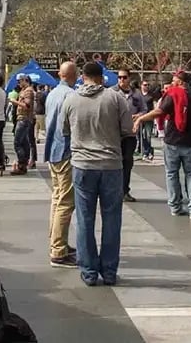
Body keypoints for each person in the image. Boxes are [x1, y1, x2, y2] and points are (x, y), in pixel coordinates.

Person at [62, 62, 132, 287]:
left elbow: (64, 130)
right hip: (111, 165)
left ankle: (89, 271)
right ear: (102, 78)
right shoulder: (116, 99)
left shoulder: (71, 99)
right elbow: (127, 129)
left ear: (82, 77)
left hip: (83, 165)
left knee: (84, 219)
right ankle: (109, 271)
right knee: (112, 219)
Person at [134, 69, 191, 219]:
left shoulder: (173, 95)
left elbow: (159, 111)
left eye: (173, 81)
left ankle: (175, 206)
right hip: (189, 142)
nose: (172, 84)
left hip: (172, 140)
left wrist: (141, 118)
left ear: (180, 82)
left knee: (172, 174)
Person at [43, 62, 78, 268]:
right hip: (65, 151)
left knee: (57, 199)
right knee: (65, 202)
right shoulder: (71, 96)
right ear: (75, 75)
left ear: (59, 74)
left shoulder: (53, 93)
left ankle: (57, 242)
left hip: (53, 151)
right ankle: (58, 250)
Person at [113, 69, 141, 202]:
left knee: (127, 162)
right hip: (114, 134)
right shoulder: (111, 92)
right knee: (115, 163)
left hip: (130, 133)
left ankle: (125, 191)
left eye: (124, 77)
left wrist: (139, 115)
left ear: (129, 78)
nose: (121, 80)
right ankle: (114, 191)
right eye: (119, 77)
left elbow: (145, 109)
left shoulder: (136, 94)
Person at [12, 78, 37, 174]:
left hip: (24, 119)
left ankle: (22, 163)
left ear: (25, 81)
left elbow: (27, 106)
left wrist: (15, 102)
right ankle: (23, 164)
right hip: (23, 118)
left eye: (19, 81)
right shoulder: (24, 90)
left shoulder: (28, 91)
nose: (18, 83)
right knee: (24, 142)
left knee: (17, 143)